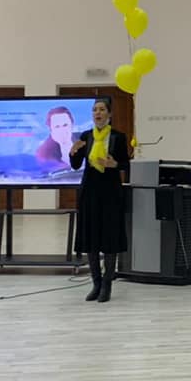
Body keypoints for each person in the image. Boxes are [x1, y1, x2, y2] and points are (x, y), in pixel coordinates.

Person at [69, 97, 130, 304]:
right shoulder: (86, 136)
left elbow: (125, 164)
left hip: (111, 193)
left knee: (110, 240)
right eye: (95, 110)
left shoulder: (118, 137)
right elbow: (76, 165)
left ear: (109, 114)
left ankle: (107, 285)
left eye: (102, 109)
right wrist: (73, 152)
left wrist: (115, 165)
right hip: (90, 192)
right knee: (91, 239)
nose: (98, 113)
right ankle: (95, 284)